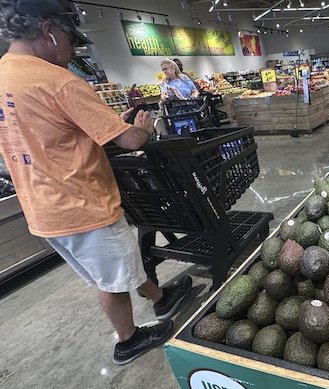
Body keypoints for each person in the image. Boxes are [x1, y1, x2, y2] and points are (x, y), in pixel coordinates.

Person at [0, 0, 194, 365]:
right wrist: (139, 129)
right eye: (71, 41)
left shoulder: (4, 75)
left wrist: (107, 123)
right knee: (112, 279)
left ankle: (161, 298)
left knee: (117, 264)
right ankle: (129, 340)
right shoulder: (57, 81)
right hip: (81, 203)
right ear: (48, 31)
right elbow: (132, 142)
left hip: (42, 207)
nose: (73, 52)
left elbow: (48, 133)